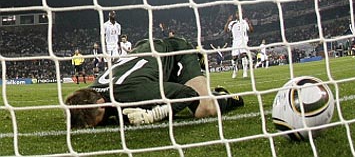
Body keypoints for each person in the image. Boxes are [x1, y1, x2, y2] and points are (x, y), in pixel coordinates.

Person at [65, 37, 244, 128]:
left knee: (205, 109)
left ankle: (225, 96)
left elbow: (187, 94)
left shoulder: (131, 93)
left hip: (174, 53)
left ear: (101, 104)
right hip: (146, 52)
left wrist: (155, 114)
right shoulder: (92, 91)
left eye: (95, 122)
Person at [224, 9, 254, 78]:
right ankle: (235, 70)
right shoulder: (232, 23)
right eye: (237, 13)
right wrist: (228, 21)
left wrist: (249, 23)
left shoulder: (244, 22)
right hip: (235, 41)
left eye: (241, 13)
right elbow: (226, 31)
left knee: (243, 54)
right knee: (234, 58)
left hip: (243, 40)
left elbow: (251, 30)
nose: (239, 14)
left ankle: (245, 72)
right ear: (236, 15)